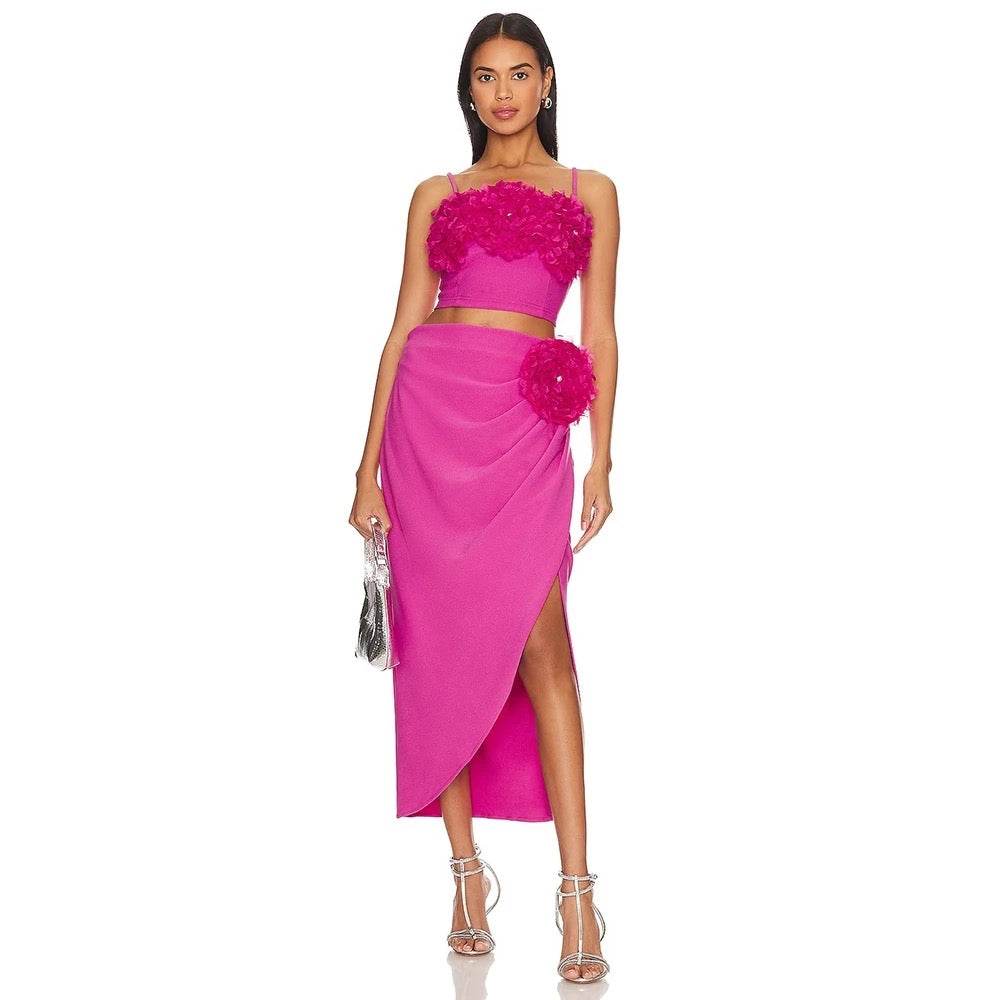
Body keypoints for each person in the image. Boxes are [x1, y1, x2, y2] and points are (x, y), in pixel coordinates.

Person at [349, 13, 619, 983]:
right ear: (468, 92)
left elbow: (600, 330)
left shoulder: (590, 190)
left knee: (546, 648)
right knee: (439, 649)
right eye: (484, 77)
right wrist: (365, 469)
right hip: (430, 417)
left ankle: (578, 893)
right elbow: (400, 326)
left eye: (518, 74)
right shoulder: (437, 191)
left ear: (547, 82)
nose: (502, 93)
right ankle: (466, 877)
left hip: (522, 425)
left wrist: (602, 458)